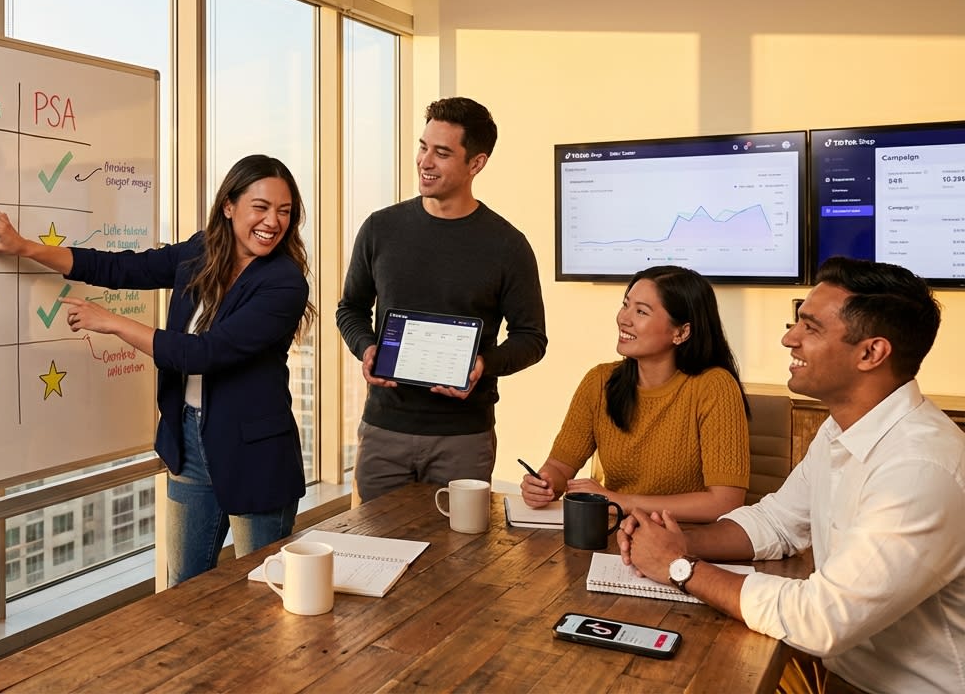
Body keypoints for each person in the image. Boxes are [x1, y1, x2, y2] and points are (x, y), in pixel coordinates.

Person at [619, 257, 965, 693]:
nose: (789, 338)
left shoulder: (919, 468)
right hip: (840, 674)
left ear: (871, 353)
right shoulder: (842, 429)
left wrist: (680, 567)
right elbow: (776, 522)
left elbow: (821, 620)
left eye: (810, 327)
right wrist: (677, 542)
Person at [0, 154, 316, 586]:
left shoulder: (284, 282)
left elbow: (204, 354)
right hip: (189, 441)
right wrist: (25, 248)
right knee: (184, 589)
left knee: (264, 589)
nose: (273, 221)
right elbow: (120, 268)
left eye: (284, 211)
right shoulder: (201, 252)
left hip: (254, 453)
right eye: (261, 207)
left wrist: (113, 323)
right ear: (229, 206)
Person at [336, 96, 547, 502]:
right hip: (383, 431)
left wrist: (483, 364)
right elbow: (351, 308)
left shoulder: (507, 245)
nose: (425, 161)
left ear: (476, 163)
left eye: (442, 153)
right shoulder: (380, 229)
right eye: (423, 147)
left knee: (459, 544)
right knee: (372, 540)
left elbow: (531, 338)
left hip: (463, 439)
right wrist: (366, 347)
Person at [520, 265, 750, 522]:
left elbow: (724, 503)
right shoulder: (600, 381)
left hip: (686, 536)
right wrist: (545, 483)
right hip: (617, 531)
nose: (623, 318)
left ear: (681, 332)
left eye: (641, 311)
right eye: (625, 305)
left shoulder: (715, 386)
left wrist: (621, 501)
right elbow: (559, 466)